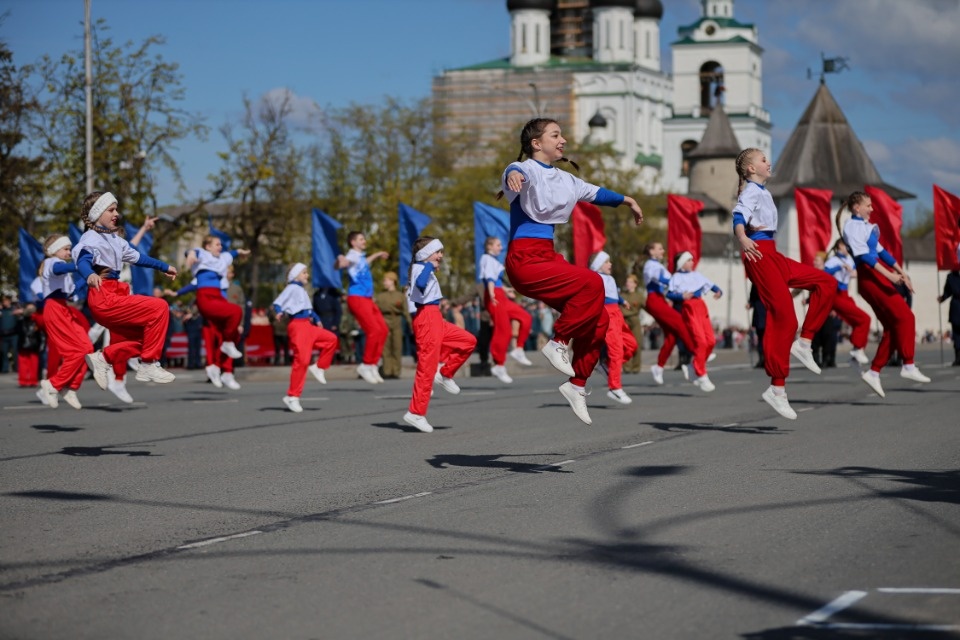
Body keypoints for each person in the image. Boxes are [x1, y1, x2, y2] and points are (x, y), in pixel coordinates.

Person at [501, 118, 644, 425]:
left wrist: (627, 200)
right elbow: (514, 170)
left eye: (562, 135)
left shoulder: (566, 180)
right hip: (525, 260)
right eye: (556, 135)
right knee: (594, 282)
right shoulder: (524, 170)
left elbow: (597, 193)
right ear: (537, 144)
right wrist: (512, 174)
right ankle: (558, 342)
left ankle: (576, 385)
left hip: (547, 258)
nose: (563, 140)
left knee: (601, 321)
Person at [733, 148, 836, 420]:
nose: (769, 161)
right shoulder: (751, 191)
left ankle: (804, 343)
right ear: (751, 169)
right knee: (786, 319)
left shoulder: (763, 192)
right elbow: (739, 214)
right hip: (759, 255)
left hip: (774, 255)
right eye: (763, 159)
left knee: (825, 281)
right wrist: (742, 237)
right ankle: (777, 390)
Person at [72, 191, 178, 394]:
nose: (116, 214)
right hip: (104, 296)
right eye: (111, 210)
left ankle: (104, 358)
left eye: (116, 209)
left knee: (147, 339)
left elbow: (139, 257)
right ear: (97, 214)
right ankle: (147, 365)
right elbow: (83, 259)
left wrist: (164, 267)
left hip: (116, 295)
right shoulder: (91, 238)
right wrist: (88, 275)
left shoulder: (115, 240)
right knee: (160, 306)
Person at [837, 191, 931, 396]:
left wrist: (901, 272)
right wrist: (889, 276)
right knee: (906, 317)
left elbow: (881, 253)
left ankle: (874, 372)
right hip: (871, 279)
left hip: (876, 276)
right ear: (856, 208)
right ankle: (908, 364)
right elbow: (864, 258)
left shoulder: (865, 227)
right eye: (868, 206)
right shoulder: (852, 227)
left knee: (892, 327)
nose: (872, 209)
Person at [403, 236, 477, 433]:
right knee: (426, 367)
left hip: (436, 317)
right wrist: (428, 266)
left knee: (468, 341)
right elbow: (419, 285)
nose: (441, 256)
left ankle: (445, 373)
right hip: (426, 318)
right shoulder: (420, 268)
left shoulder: (424, 268)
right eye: (438, 252)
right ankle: (416, 413)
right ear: (426, 254)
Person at [33, 235, 91, 410]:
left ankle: (71, 387)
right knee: (76, 351)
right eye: (65, 248)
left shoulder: (64, 271)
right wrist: (81, 265)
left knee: (87, 348)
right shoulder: (52, 262)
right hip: (54, 309)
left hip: (64, 308)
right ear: (54, 250)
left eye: (69, 248)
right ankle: (53, 384)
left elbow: (73, 291)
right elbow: (60, 269)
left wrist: (92, 273)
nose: (68, 252)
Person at [272, 263, 339, 413]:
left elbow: (307, 308)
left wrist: (316, 318)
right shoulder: (291, 288)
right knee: (301, 361)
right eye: (304, 273)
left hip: (308, 325)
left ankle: (319, 366)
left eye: (306, 273)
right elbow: (278, 302)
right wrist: (278, 311)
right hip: (297, 326)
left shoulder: (301, 290)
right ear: (295, 275)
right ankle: (292, 396)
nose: (307, 275)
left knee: (331, 339)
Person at [183, 236, 249, 389]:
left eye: (220, 244)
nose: (220, 247)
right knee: (236, 311)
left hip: (218, 296)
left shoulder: (224, 257)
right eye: (217, 244)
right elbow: (191, 251)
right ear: (208, 246)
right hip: (206, 297)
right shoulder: (202, 254)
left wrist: (241, 252)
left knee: (233, 334)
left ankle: (220, 370)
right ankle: (221, 358)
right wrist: (191, 255)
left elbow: (232, 253)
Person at [335, 232, 389, 384]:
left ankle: (373, 364)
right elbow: (342, 264)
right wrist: (340, 260)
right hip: (357, 298)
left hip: (367, 298)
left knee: (383, 330)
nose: (364, 241)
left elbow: (365, 262)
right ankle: (365, 365)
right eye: (361, 239)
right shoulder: (351, 255)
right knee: (373, 331)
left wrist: (377, 254)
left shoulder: (360, 257)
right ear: (353, 242)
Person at [480, 236, 534, 384]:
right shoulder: (486, 258)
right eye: (498, 245)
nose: (501, 247)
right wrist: (492, 293)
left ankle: (518, 349)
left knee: (526, 317)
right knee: (503, 331)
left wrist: (505, 289)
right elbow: (489, 279)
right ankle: (499, 365)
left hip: (499, 294)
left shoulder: (492, 260)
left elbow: (495, 281)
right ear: (490, 246)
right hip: (494, 296)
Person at [667, 251, 722, 392]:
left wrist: (718, 292)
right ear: (682, 264)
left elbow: (712, 286)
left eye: (692, 260)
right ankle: (701, 374)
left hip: (701, 306)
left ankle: (692, 366)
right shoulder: (677, 277)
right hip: (689, 308)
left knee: (710, 341)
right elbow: (670, 293)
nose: (692, 262)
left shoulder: (697, 275)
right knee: (701, 341)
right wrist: (681, 296)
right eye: (689, 260)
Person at [641, 242, 696, 386]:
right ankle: (697, 352)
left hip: (661, 299)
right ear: (651, 251)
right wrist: (674, 281)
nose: (663, 250)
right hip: (654, 300)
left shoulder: (658, 265)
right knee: (679, 322)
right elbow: (657, 278)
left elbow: (666, 284)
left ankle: (658, 367)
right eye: (659, 248)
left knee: (672, 335)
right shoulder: (650, 265)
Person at [590, 251, 638, 404]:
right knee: (616, 350)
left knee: (631, 344)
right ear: (597, 265)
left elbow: (615, 292)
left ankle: (605, 365)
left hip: (617, 313)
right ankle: (615, 388)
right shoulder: (595, 278)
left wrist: (623, 301)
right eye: (606, 262)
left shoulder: (609, 278)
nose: (610, 264)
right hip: (606, 314)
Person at [823, 242, 871, 366]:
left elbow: (855, 274)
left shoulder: (849, 259)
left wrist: (851, 270)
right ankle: (857, 348)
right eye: (845, 246)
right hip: (836, 294)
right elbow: (824, 273)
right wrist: (839, 267)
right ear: (839, 247)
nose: (847, 249)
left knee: (859, 321)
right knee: (865, 319)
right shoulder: (833, 260)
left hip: (845, 294)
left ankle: (857, 350)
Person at [374, 271, 410, 379]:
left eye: (386, 280)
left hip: (397, 320)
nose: (384, 282)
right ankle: (387, 370)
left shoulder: (400, 296)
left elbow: (405, 311)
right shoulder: (380, 296)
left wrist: (411, 324)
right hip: (384, 320)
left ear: (392, 281)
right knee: (385, 347)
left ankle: (396, 371)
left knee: (397, 346)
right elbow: (375, 311)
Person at [620, 274, 645, 374]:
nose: (628, 284)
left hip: (634, 319)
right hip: (624, 320)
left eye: (630, 282)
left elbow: (647, 306)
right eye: (627, 282)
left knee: (637, 343)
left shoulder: (639, 296)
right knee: (625, 344)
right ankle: (626, 366)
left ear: (635, 284)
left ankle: (636, 366)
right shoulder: (622, 295)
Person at [938, 259, 960, 366]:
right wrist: (942, 298)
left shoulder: (951, 276)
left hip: (956, 305)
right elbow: (948, 291)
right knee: (956, 334)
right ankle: (958, 357)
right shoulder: (951, 277)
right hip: (956, 307)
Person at [1, 295, 20, 373]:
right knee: (4, 352)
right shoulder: (1, 311)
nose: (4, 302)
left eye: (6, 301)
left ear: (9, 301)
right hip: (3, 335)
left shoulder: (14, 310)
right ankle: (5, 368)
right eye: (3, 301)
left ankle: (17, 368)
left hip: (13, 334)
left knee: (15, 352)